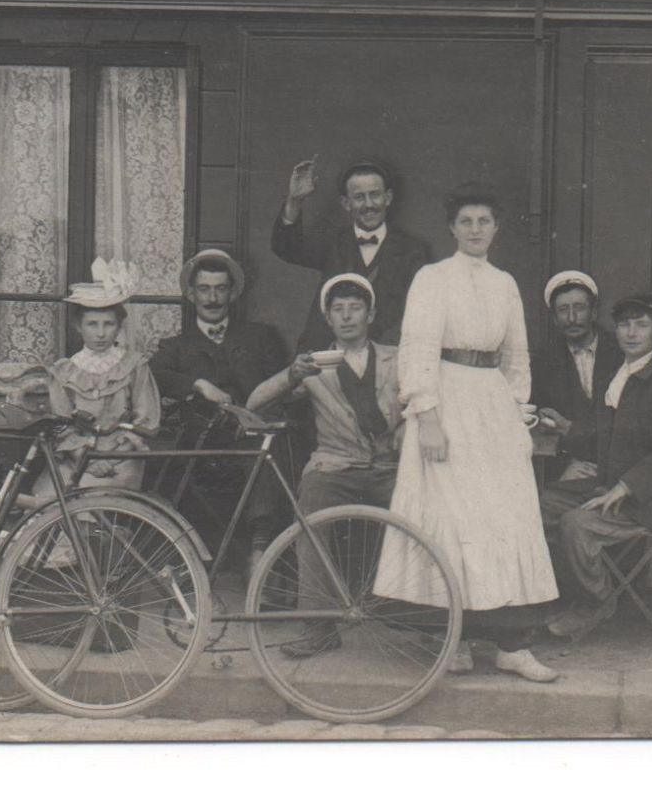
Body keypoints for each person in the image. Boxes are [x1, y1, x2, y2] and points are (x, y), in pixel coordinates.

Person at [373, 184, 560, 683]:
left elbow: (516, 356)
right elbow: (416, 349)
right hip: (447, 403)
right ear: (452, 228)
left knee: (502, 518)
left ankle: (510, 645)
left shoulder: (505, 284)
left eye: (485, 221)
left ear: (496, 228)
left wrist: (517, 415)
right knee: (451, 520)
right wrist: (427, 417)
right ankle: (449, 639)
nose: (476, 230)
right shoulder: (433, 279)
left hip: (491, 407)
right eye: (467, 221)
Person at [247, 273, 403, 658]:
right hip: (335, 467)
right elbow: (253, 403)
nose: (347, 317)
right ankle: (318, 627)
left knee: (429, 517)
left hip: (391, 466)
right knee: (310, 519)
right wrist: (291, 375)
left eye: (355, 309)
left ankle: (425, 619)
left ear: (370, 314)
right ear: (328, 319)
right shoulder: (314, 365)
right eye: (338, 310)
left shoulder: (397, 358)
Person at [542, 293, 652, 638]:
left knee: (575, 524)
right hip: (608, 485)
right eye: (625, 324)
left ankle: (596, 601)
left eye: (642, 325)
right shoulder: (618, 374)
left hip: (648, 501)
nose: (631, 333)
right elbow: (604, 437)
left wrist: (625, 487)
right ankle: (558, 596)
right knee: (537, 506)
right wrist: (566, 430)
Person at [151, 248, 289, 567]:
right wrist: (197, 384)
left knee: (266, 450)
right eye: (204, 289)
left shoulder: (261, 338)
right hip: (202, 442)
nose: (212, 299)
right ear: (190, 294)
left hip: (252, 434)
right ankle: (192, 569)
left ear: (233, 292)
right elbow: (154, 375)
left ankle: (260, 550)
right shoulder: (175, 347)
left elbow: (281, 384)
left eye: (220, 288)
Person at [272, 156, 431, 349]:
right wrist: (294, 201)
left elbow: (419, 312)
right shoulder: (332, 243)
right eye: (359, 197)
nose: (369, 204)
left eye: (375, 194)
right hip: (327, 356)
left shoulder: (412, 251)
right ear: (345, 203)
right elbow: (286, 249)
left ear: (388, 198)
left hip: (385, 360)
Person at [39, 259, 161, 503]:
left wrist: (110, 459)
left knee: (89, 498)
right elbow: (60, 425)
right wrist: (84, 457)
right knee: (50, 498)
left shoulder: (135, 366)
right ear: (78, 326)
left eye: (109, 324)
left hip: (122, 461)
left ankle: (101, 539)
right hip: (76, 459)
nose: (101, 333)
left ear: (119, 327)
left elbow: (147, 421)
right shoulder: (64, 372)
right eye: (92, 324)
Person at [531, 270, 623, 484]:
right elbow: (536, 425)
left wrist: (569, 428)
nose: (572, 318)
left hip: (619, 470)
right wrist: (562, 467)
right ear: (554, 319)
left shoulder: (621, 352)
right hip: (572, 471)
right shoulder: (543, 363)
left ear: (593, 313)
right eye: (563, 310)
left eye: (579, 308)